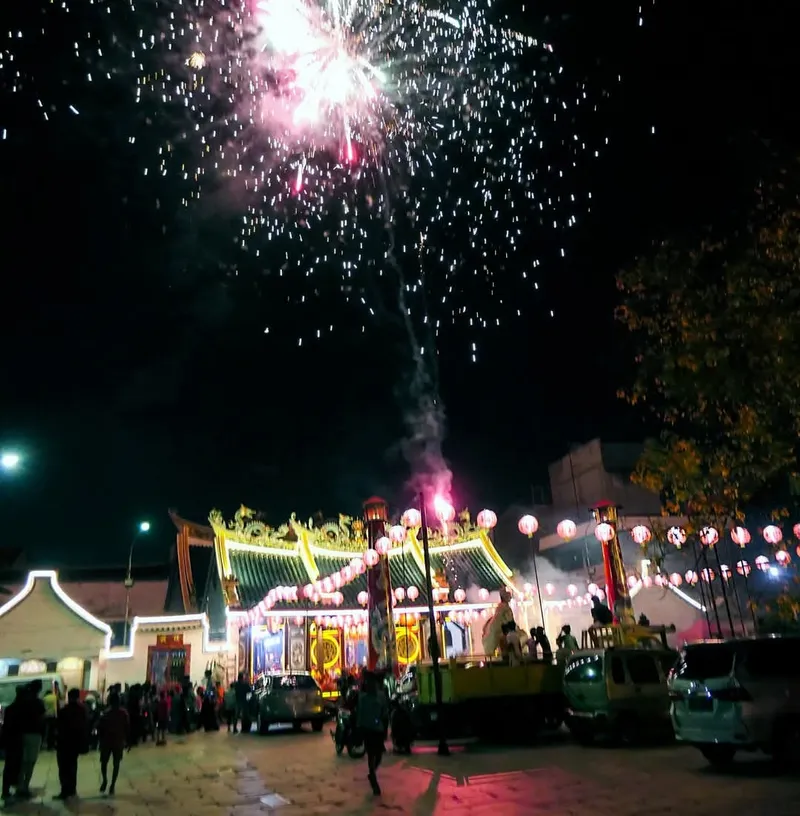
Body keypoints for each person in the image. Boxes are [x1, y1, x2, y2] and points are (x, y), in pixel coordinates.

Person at [356, 671, 389, 796]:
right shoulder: (362, 698)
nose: (371, 685)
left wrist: (385, 729)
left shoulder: (381, 696)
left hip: (378, 729)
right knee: (371, 755)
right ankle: (373, 778)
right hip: (367, 729)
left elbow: (385, 713)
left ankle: (372, 772)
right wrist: (359, 729)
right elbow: (360, 714)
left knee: (379, 755)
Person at [54, 688, 87, 801]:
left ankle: (65, 791)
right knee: (73, 766)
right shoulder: (82, 710)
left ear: (69, 696)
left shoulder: (64, 710)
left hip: (64, 743)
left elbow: (58, 727)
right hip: (76, 743)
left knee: (63, 768)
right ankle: (72, 790)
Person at [17, 680, 46, 799]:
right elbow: (42, 719)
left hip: (22, 733)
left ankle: (20, 787)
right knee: (31, 762)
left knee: (22, 762)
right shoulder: (39, 703)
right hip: (35, 734)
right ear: (39, 690)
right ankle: (25, 786)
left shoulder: (23, 702)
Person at [98, 692, 129, 796]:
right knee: (116, 764)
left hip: (106, 742)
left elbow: (100, 729)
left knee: (104, 763)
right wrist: (128, 742)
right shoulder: (124, 713)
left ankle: (105, 780)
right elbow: (127, 728)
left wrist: (100, 741)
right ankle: (112, 785)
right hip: (118, 742)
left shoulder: (105, 713)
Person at [1, 687, 25, 801]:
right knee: (14, 766)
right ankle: (9, 789)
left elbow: (6, 726)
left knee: (9, 766)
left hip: (10, 740)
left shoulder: (10, 708)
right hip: (17, 740)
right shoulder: (21, 709)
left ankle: (6, 790)